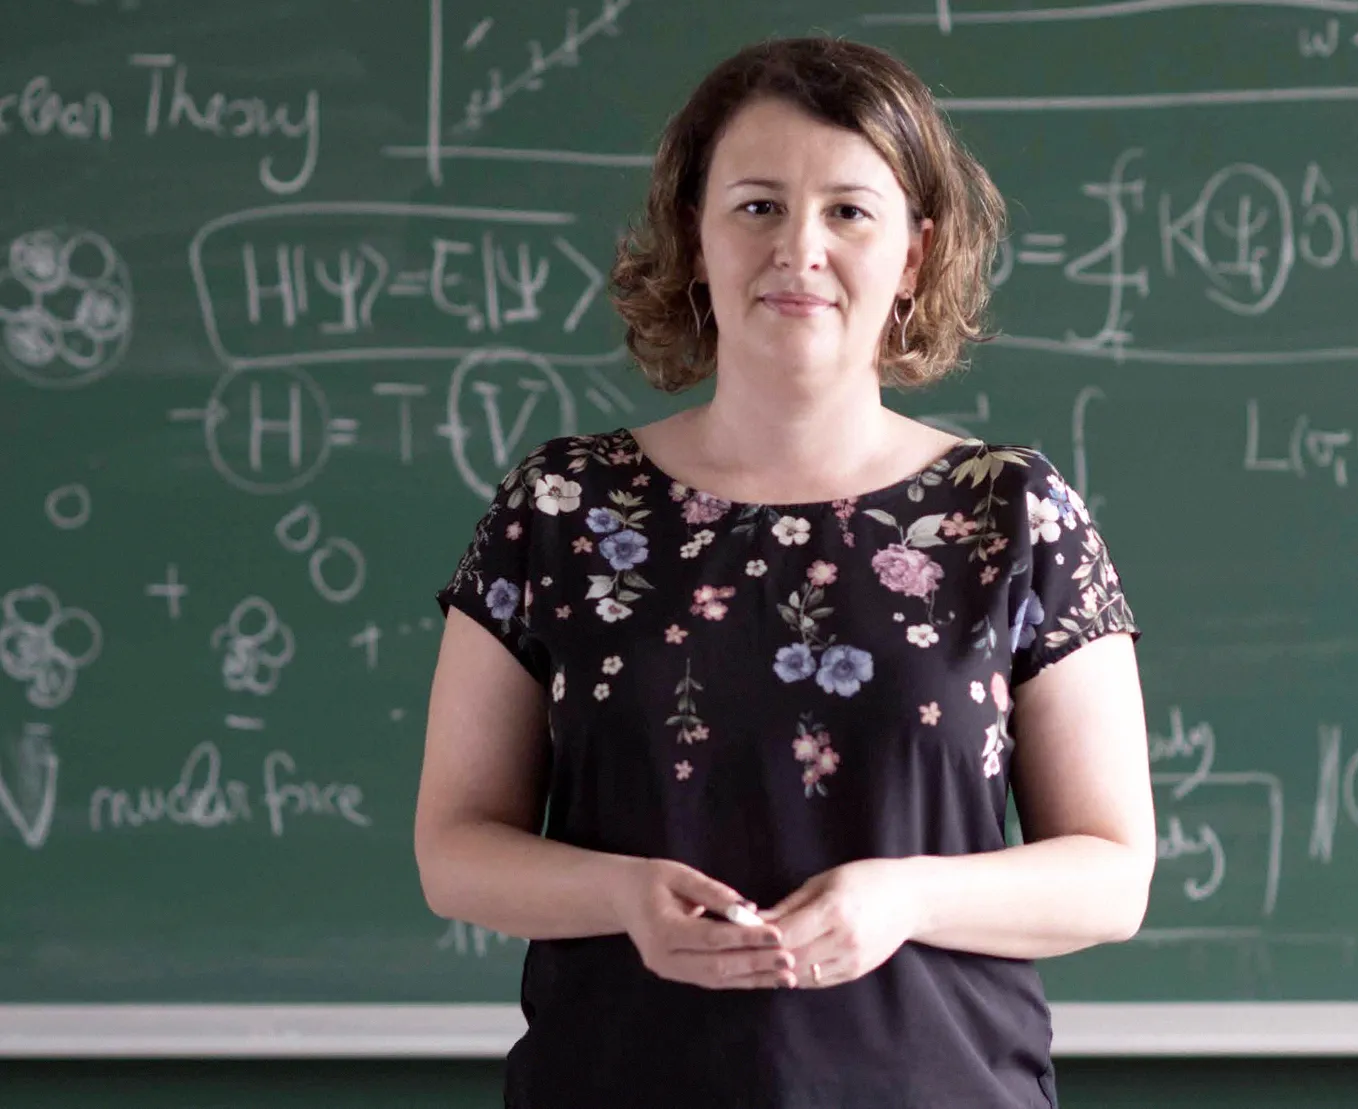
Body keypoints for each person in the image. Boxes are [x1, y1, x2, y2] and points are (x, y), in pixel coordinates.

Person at [417, 35, 1154, 1109]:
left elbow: (1109, 872)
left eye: (848, 210)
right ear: (694, 236)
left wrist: (900, 899)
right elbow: (454, 848)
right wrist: (623, 893)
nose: (798, 248)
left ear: (912, 254)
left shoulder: (1012, 513)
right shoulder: (560, 507)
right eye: (756, 205)